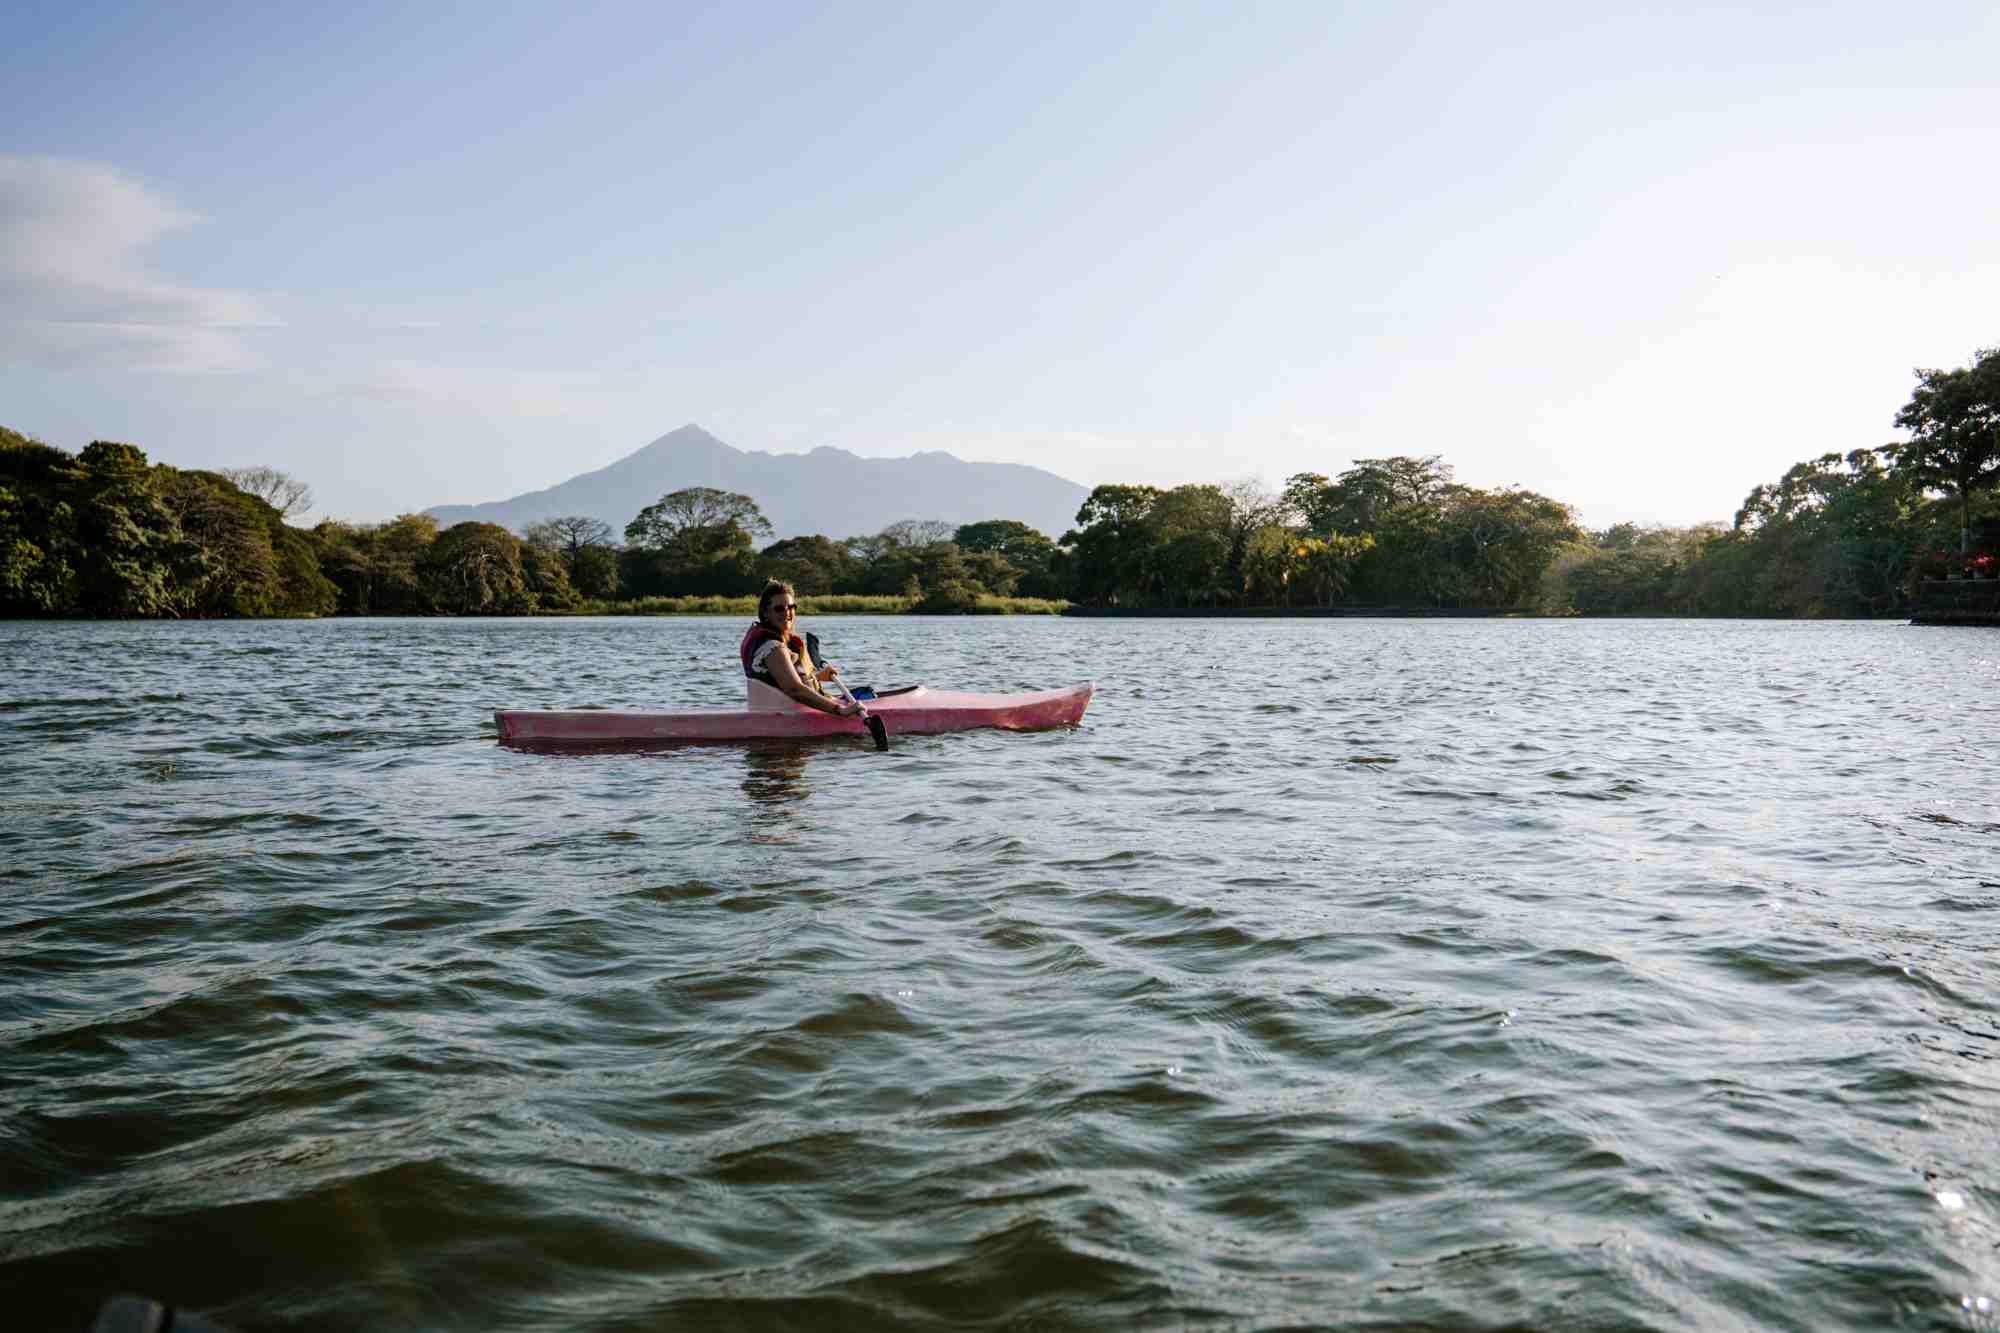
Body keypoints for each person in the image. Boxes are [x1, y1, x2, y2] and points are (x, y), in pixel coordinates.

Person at [739, 581, 863, 716]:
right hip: (783, 713)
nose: (787, 612)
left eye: (791, 607)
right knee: (868, 695)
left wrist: (817, 677)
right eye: (779, 608)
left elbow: (778, 678)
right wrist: (839, 710)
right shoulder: (772, 647)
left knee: (866, 693)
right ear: (766, 613)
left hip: (770, 708)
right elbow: (794, 689)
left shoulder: (764, 639)